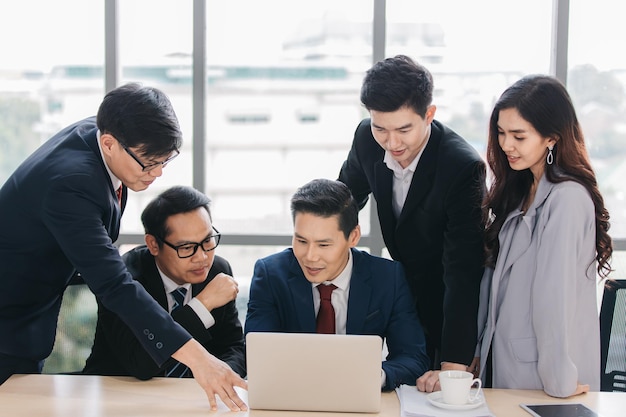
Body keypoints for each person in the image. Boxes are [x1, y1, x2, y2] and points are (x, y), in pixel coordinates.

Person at [0, 83, 247, 411]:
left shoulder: (106, 135)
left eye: (165, 161)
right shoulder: (70, 184)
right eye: (148, 163)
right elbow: (114, 284)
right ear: (109, 143)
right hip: (10, 319)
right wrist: (200, 359)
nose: (157, 174)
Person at [337, 55, 486, 391]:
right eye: (381, 128)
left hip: (447, 302)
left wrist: (453, 365)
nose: (392, 143)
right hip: (400, 297)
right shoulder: (366, 139)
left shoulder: (462, 168)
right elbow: (343, 202)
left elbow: (463, 272)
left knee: (438, 395)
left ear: (429, 115)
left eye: (404, 129)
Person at [476, 75, 613, 398]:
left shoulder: (567, 198)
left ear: (551, 138)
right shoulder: (520, 191)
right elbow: (494, 283)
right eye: (501, 133)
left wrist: (559, 380)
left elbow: (556, 296)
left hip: (543, 376)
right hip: (503, 364)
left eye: (518, 136)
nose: (506, 145)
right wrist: (480, 349)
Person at [244, 178, 430, 391]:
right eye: (301, 241)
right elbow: (258, 355)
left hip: (359, 395)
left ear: (353, 237)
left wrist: (372, 377)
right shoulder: (270, 275)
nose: (310, 257)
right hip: (293, 395)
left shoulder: (388, 278)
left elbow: (413, 359)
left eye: (324, 244)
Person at [83, 185, 246, 380]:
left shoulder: (217, 271)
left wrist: (224, 376)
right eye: (186, 247)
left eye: (208, 241)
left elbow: (233, 346)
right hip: (118, 392)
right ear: (153, 244)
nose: (202, 257)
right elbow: (141, 365)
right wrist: (202, 306)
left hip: (191, 398)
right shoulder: (123, 281)